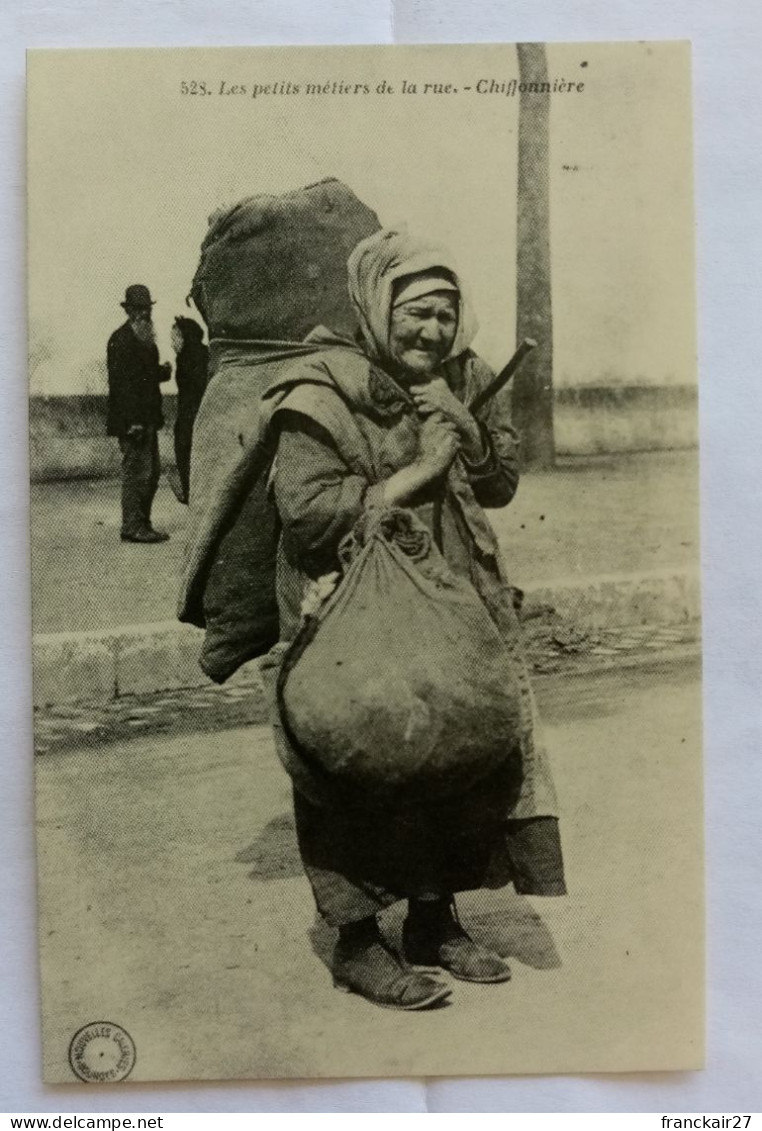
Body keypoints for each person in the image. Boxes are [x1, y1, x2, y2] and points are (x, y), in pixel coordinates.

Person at [262, 228, 566, 1011]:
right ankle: (358, 940)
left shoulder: (464, 376)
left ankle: (435, 917)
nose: (433, 331)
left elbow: (498, 484)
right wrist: (422, 469)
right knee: (353, 756)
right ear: (375, 303)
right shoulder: (322, 388)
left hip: (454, 594)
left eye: (445, 314)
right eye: (417, 313)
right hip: (350, 600)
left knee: (454, 748)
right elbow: (308, 514)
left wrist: (464, 432)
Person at [106, 284, 171, 543]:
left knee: (152, 473)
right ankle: (132, 526)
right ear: (129, 310)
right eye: (139, 309)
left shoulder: (146, 341)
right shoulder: (120, 340)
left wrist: (161, 372)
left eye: (147, 309)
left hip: (148, 420)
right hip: (133, 422)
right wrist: (130, 422)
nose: (145, 314)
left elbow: (143, 377)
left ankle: (142, 523)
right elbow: (120, 385)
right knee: (137, 473)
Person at [170, 316, 209, 504]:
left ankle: (191, 498)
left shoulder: (189, 357)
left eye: (175, 337)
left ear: (184, 336)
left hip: (191, 420)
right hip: (195, 418)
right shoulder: (199, 354)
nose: (172, 342)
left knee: (189, 463)